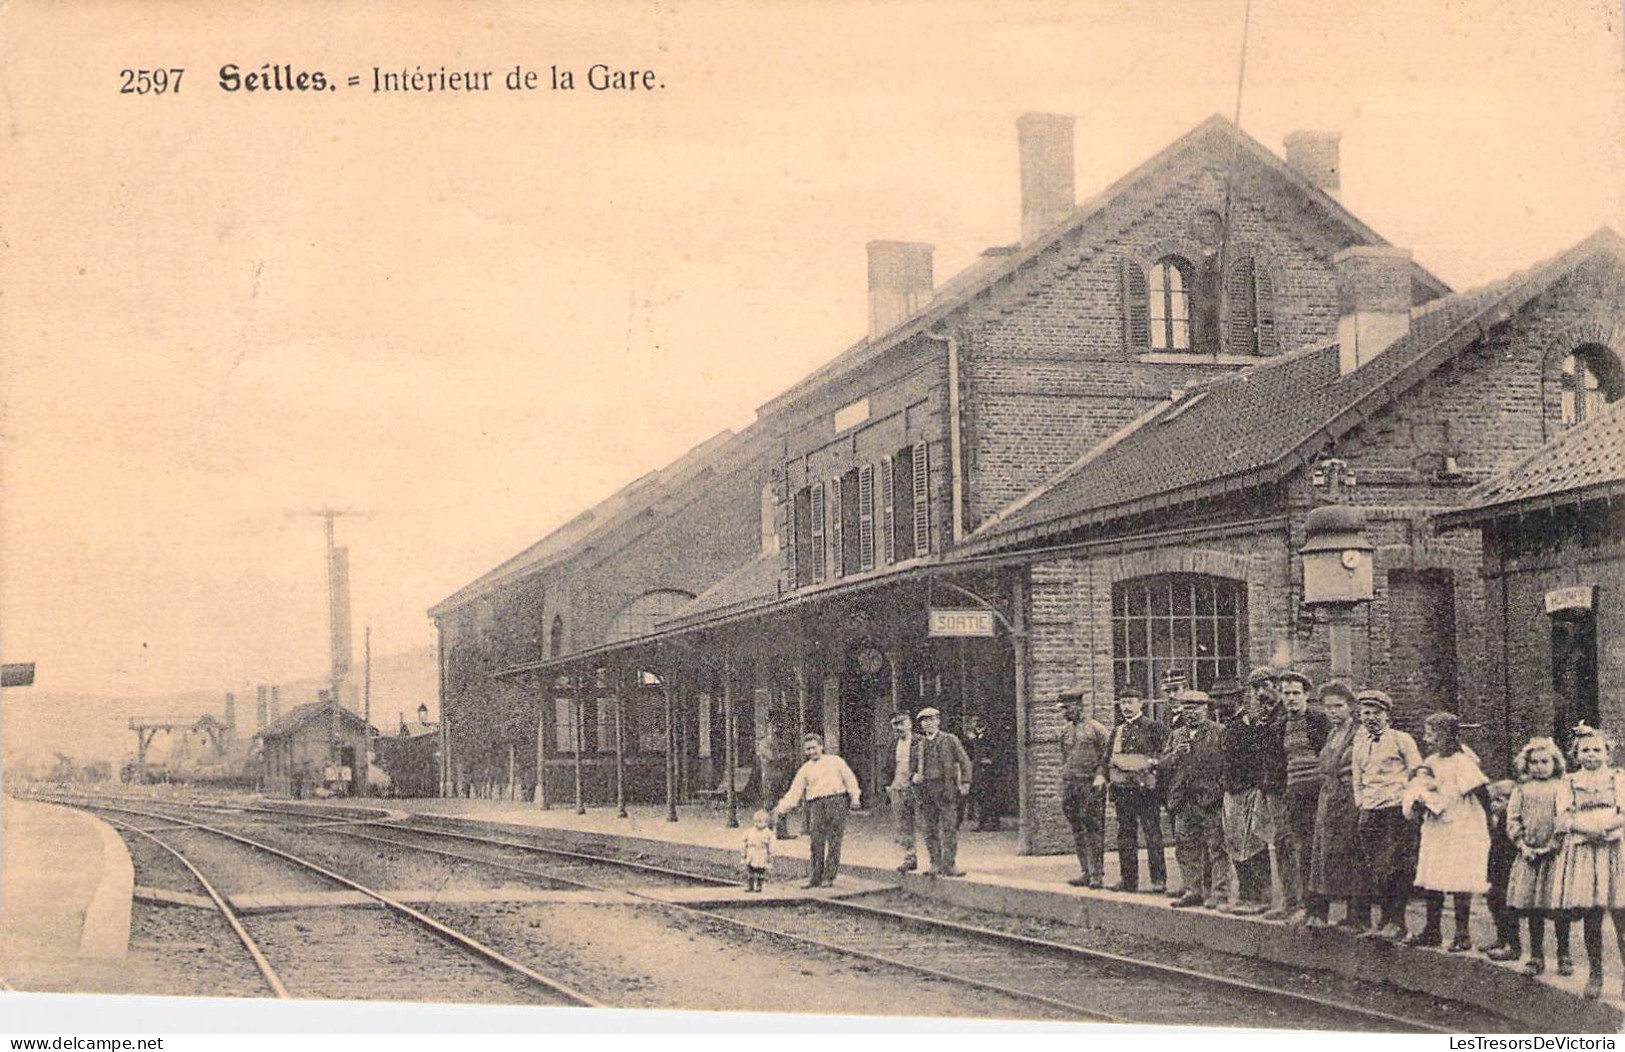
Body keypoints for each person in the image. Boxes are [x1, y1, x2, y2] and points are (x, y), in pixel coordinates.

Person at [1402, 712, 1491, 951]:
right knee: (1434, 876)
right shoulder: (1430, 762)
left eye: (1434, 734)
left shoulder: (1462, 762)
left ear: (1450, 736)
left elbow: (1482, 791)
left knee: (1459, 877)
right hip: (1436, 826)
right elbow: (1421, 786)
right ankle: (1432, 930)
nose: (1428, 739)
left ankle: (1462, 934)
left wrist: (1489, 823)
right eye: (1427, 734)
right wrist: (1419, 802)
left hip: (1462, 825)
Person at [1550, 724, 1625, 1000]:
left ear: (1607, 753)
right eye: (1585, 750)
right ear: (1576, 754)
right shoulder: (1569, 782)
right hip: (1584, 850)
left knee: (1622, 916)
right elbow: (1564, 816)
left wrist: (1607, 829)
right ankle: (1595, 974)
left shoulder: (1619, 778)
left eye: (1597, 750)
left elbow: (1624, 811)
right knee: (1592, 917)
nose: (1591, 755)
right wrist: (1586, 829)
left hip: (1614, 849)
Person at [1350, 688, 1423, 941]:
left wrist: (1408, 802)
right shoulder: (1360, 744)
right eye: (1366, 713)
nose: (1371, 718)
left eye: (1376, 713)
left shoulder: (1402, 740)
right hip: (1371, 811)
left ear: (1387, 715)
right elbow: (1357, 779)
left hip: (1395, 810)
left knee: (1396, 866)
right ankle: (1383, 921)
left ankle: (1397, 921)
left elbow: (1417, 772)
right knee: (1376, 868)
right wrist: (1362, 804)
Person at [1503, 738, 1570, 974]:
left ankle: (1564, 955)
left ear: (1555, 763)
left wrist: (1553, 845)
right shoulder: (1521, 789)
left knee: (1558, 908)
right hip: (1529, 856)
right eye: (1534, 762)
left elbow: (1564, 818)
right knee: (1534, 909)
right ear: (1527, 764)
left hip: (1554, 856)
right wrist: (1522, 845)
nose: (1540, 766)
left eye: (1545, 762)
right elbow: (1513, 819)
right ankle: (1536, 955)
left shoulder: (1561, 787)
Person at [1303, 681, 1364, 930]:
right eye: (1328, 707)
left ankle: (1357, 915)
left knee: (1351, 853)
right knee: (1324, 855)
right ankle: (1319, 911)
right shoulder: (1332, 734)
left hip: (1350, 798)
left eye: (1338, 706)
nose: (1333, 712)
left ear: (1350, 707)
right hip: (1329, 797)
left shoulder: (1358, 734)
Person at [1221, 669, 1283, 914]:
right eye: (1254, 689)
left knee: (1254, 843)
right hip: (1233, 791)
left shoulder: (1263, 722)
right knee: (1236, 844)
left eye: (1263, 688)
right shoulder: (1237, 723)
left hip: (1252, 790)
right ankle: (1246, 894)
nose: (1258, 694)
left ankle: (1262, 896)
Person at [1162, 690, 1228, 909]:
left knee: (1216, 848)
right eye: (1187, 708)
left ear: (1206, 709)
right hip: (1184, 801)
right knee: (1185, 847)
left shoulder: (1219, 732)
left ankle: (1218, 892)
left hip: (1210, 799)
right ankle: (1193, 890)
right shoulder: (1176, 735)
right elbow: (1162, 765)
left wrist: (1218, 790)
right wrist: (1175, 756)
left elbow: (1227, 765)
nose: (1191, 713)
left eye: (1196, 708)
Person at [1273, 670, 1329, 921]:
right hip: (1293, 793)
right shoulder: (1279, 726)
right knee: (1296, 848)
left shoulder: (1319, 720)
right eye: (1286, 694)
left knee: (1316, 849)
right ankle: (1300, 903)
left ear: (1306, 695)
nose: (1291, 698)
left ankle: (1317, 907)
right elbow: (1278, 761)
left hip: (1319, 792)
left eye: (1296, 693)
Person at [772, 733, 861, 888]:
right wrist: (781, 808)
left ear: (821, 746)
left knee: (834, 841)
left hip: (836, 801)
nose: (812, 752)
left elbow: (850, 779)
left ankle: (829, 876)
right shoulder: (805, 769)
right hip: (816, 805)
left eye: (814, 747)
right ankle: (815, 877)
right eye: (808, 749)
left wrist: (855, 797)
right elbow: (795, 791)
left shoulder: (836, 761)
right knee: (816, 841)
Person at [1107, 693, 1169, 893]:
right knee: (1125, 835)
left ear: (1140, 703)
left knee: (1152, 834)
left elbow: (1166, 752)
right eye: (1122, 703)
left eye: (1130, 702)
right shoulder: (1118, 731)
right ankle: (1128, 880)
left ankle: (1158, 880)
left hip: (1146, 791)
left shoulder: (1153, 727)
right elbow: (1107, 757)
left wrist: (1152, 763)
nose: (1126, 707)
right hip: (1123, 791)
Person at [911, 707, 972, 877]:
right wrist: (913, 776)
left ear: (938, 721)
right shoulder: (918, 744)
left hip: (945, 789)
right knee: (929, 829)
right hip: (925, 791)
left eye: (931, 719)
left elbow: (965, 761)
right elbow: (910, 767)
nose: (928, 723)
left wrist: (965, 782)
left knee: (949, 828)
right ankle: (935, 863)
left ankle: (949, 865)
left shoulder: (950, 740)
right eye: (924, 721)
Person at [1058, 689, 1111, 888]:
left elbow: (1108, 755)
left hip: (1091, 785)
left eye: (1067, 708)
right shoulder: (1065, 731)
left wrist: (1100, 775)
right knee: (1077, 829)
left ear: (1079, 706)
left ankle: (1097, 874)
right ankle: (1086, 871)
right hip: (1071, 785)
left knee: (1093, 829)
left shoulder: (1096, 729)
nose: (1065, 713)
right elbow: (1065, 757)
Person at [1481, 778, 1521, 960]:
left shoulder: (1512, 821)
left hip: (1508, 868)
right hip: (1497, 868)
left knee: (1506, 905)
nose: (1493, 805)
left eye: (1499, 800)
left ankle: (1513, 945)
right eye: (1493, 800)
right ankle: (1501, 938)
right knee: (1494, 900)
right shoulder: (1497, 821)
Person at [887, 710, 920, 873]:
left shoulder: (920, 742)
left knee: (927, 823)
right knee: (903, 825)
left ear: (910, 723)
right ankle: (910, 857)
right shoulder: (892, 744)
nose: (899, 727)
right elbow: (887, 766)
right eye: (895, 724)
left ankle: (938, 860)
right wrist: (888, 784)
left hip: (918, 789)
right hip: (898, 787)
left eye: (902, 723)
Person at [742, 809, 774, 892]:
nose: (757, 824)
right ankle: (750, 885)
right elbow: (744, 840)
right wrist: (744, 853)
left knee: (760, 870)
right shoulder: (750, 831)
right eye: (755, 821)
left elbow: (771, 845)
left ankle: (759, 885)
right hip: (752, 852)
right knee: (750, 870)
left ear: (766, 823)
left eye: (760, 822)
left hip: (761, 853)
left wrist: (770, 855)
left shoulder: (768, 833)